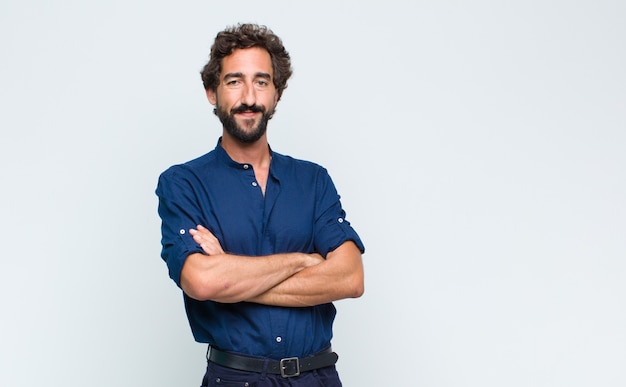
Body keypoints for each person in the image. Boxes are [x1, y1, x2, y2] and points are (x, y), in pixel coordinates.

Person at [156, 23, 365, 386]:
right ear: (212, 92)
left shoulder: (313, 180)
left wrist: (232, 277)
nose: (249, 97)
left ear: (276, 94)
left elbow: (350, 277)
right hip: (236, 379)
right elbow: (202, 282)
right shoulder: (183, 183)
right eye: (234, 81)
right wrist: (303, 261)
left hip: (317, 378)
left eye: (262, 82)